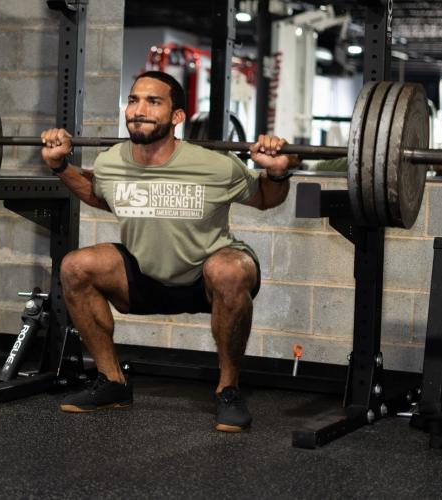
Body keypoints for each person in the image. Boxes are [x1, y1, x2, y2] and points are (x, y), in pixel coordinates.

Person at [40, 71, 297, 432]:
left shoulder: (216, 165)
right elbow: (98, 194)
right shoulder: (112, 162)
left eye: (153, 101)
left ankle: (228, 389)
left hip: (205, 275)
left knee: (229, 270)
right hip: (144, 276)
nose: (138, 110)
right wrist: (60, 166)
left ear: (177, 117)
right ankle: (112, 382)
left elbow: (267, 200)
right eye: (133, 100)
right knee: (75, 266)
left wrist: (277, 175)